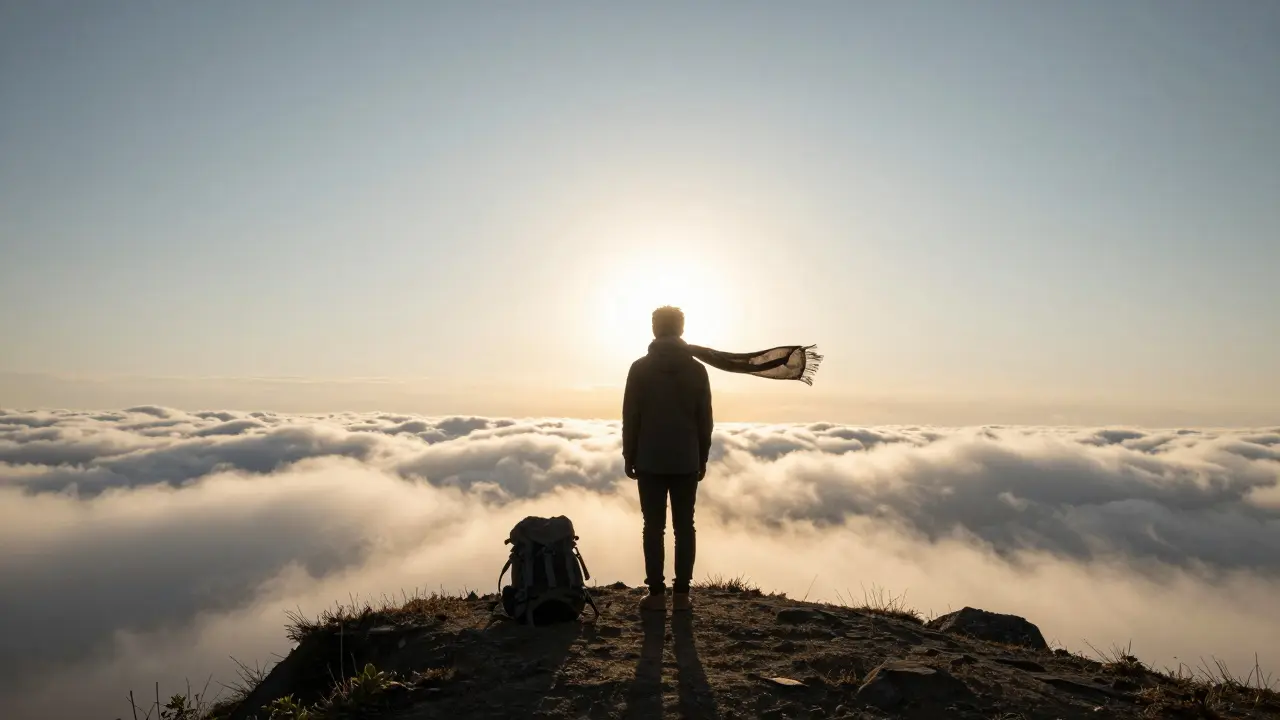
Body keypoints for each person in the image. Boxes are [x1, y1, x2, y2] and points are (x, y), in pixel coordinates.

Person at [622, 306, 713, 613]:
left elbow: (631, 417)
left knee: (653, 527)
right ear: (681, 329)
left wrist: (629, 454)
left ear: (654, 328)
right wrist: (702, 457)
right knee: (685, 527)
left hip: (649, 459)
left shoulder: (639, 369)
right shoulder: (697, 370)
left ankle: (657, 595)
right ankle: (682, 596)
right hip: (686, 459)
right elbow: (705, 420)